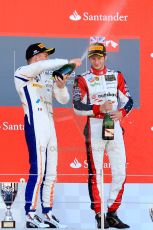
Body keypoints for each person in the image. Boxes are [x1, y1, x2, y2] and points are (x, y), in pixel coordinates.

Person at [14, 42, 81, 228]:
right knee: (39, 169)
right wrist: (68, 61)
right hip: (35, 123)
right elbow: (41, 66)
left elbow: (63, 99)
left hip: (49, 123)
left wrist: (60, 86)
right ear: (35, 57)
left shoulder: (47, 75)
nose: (48, 58)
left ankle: (48, 212)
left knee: (51, 171)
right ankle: (30, 214)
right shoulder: (23, 71)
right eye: (45, 55)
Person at [73, 42, 133, 229]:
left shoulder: (117, 75)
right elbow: (77, 107)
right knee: (96, 173)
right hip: (94, 126)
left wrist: (122, 113)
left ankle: (112, 212)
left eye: (99, 57)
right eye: (93, 57)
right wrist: (98, 108)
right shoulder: (82, 79)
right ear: (90, 59)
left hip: (113, 126)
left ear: (105, 57)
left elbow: (129, 100)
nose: (96, 60)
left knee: (120, 171)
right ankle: (99, 214)